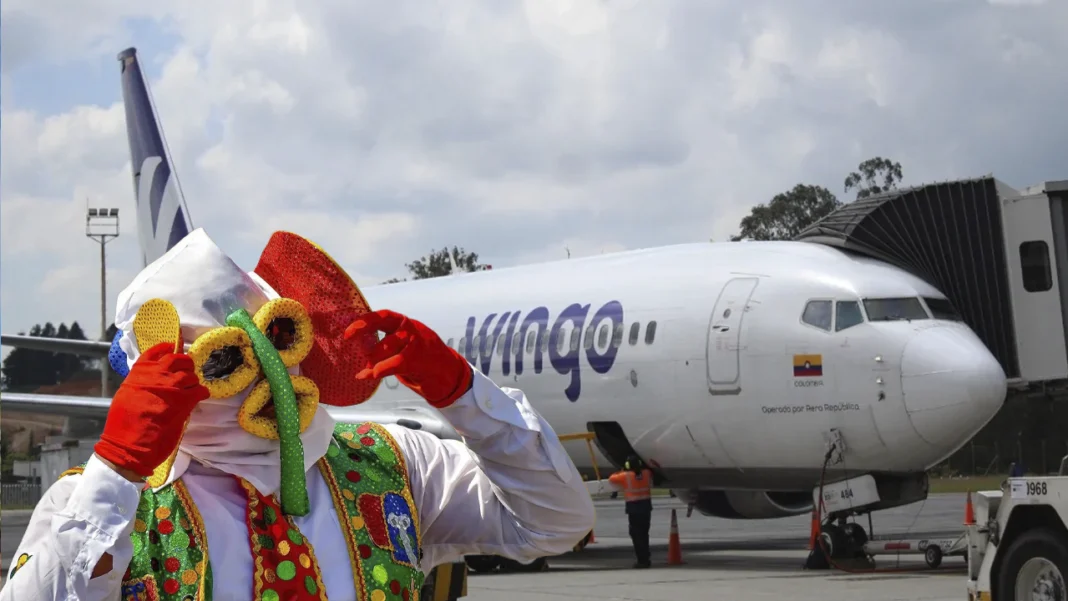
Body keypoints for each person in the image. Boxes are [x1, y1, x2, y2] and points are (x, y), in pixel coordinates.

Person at [1, 228, 595, 601]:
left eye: (277, 341)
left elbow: (554, 524)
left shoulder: (388, 461)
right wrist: (115, 469)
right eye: (223, 362)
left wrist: (465, 395)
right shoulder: (97, 507)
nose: (265, 376)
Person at [608, 455, 653, 568]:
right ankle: (646, 557)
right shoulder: (647, 473)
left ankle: (642, 560)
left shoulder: (625, 476)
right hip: (646, 507)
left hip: (634, 508)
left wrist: (623, 470)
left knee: (636, 535)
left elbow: (612, 478)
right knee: (644, 533)